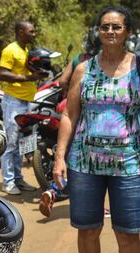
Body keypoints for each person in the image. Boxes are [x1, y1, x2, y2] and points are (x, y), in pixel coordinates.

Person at [53, 6, 140, 252]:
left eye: (116, 26)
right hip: (84, 164)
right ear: (98, 31)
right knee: (88, 229)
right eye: (105, 26)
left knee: (129, 234)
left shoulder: (138, 67)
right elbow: (70, 114)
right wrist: (60, 157)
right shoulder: (84, 69)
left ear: (128, 31)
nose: (110, 31)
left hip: (130, 164)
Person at [39, 27, 101, 217]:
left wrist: (70, 93)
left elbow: (63, 80)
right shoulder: (104, 61)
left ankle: (53, 190)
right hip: (93, 116)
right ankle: (95, 203)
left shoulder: (78, 59)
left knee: (71, 156)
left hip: (69, 108)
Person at [0, 21, 47, 195]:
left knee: (24, 142)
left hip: (29, 101)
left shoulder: (26, 50)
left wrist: (39, 75)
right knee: (11, 142)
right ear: (21, 32)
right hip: (14, 101)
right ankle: (8, 181)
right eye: (31, 31)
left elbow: (29, 74)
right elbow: (2, 74)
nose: (34, 34)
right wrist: (29, 78)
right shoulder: (10, 50)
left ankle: (19, 179)